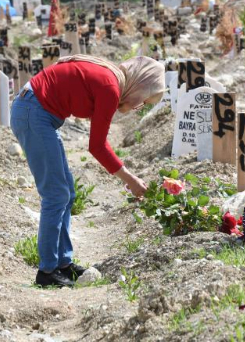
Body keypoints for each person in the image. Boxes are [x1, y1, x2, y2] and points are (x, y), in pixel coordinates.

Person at [11, 55, 165, 288]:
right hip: (34, 113)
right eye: (144, 101)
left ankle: (63, 263)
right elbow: (97, 146)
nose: (138, 107)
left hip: (38, 112)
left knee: (68, 193)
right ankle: (47, 271)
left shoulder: (112, 78)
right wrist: (131, 180)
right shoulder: (110, 87)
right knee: (56, 195)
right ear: (139, 85)